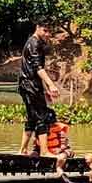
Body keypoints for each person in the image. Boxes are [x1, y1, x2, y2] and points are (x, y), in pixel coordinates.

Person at [18, 23, 62, 156]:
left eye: (50, 32)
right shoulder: (34, 43)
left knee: (32, 117)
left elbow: (34, 71)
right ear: (37, 28)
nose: (47, 34)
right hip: (30, 85)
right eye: (45, 30)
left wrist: (43, 90)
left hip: (29, 85)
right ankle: (44, 151)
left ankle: (23, 150)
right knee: (42, 116)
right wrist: (51, 85)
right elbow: (38, 69)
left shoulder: (32, 43)